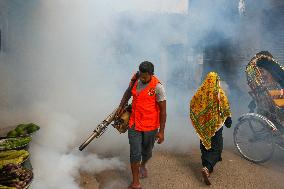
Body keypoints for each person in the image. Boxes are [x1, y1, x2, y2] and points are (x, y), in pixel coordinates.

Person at [118, 61, 167, 189]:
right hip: (134, 124)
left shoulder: (158, 87)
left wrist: (161, 131)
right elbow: (128, 92)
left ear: (151, 74)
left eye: (145, 77)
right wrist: (121, 105)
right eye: (141, 76)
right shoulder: (136, 80)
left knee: (147, 152)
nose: (143, 79)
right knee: (135, 153)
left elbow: (163, 111)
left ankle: (143, 165)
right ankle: (135, 182)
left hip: (150, 126)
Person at [189, 72, 232, 185]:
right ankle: (207, 168)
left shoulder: (200, 92)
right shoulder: (220, 93)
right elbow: (225, 108)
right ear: (217, 81)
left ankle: (206, 168)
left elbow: (193, 103)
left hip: (204, 128)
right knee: (217, 149)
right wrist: (228, 121)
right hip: (216, 128)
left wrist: (198, 119)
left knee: (205, 147)